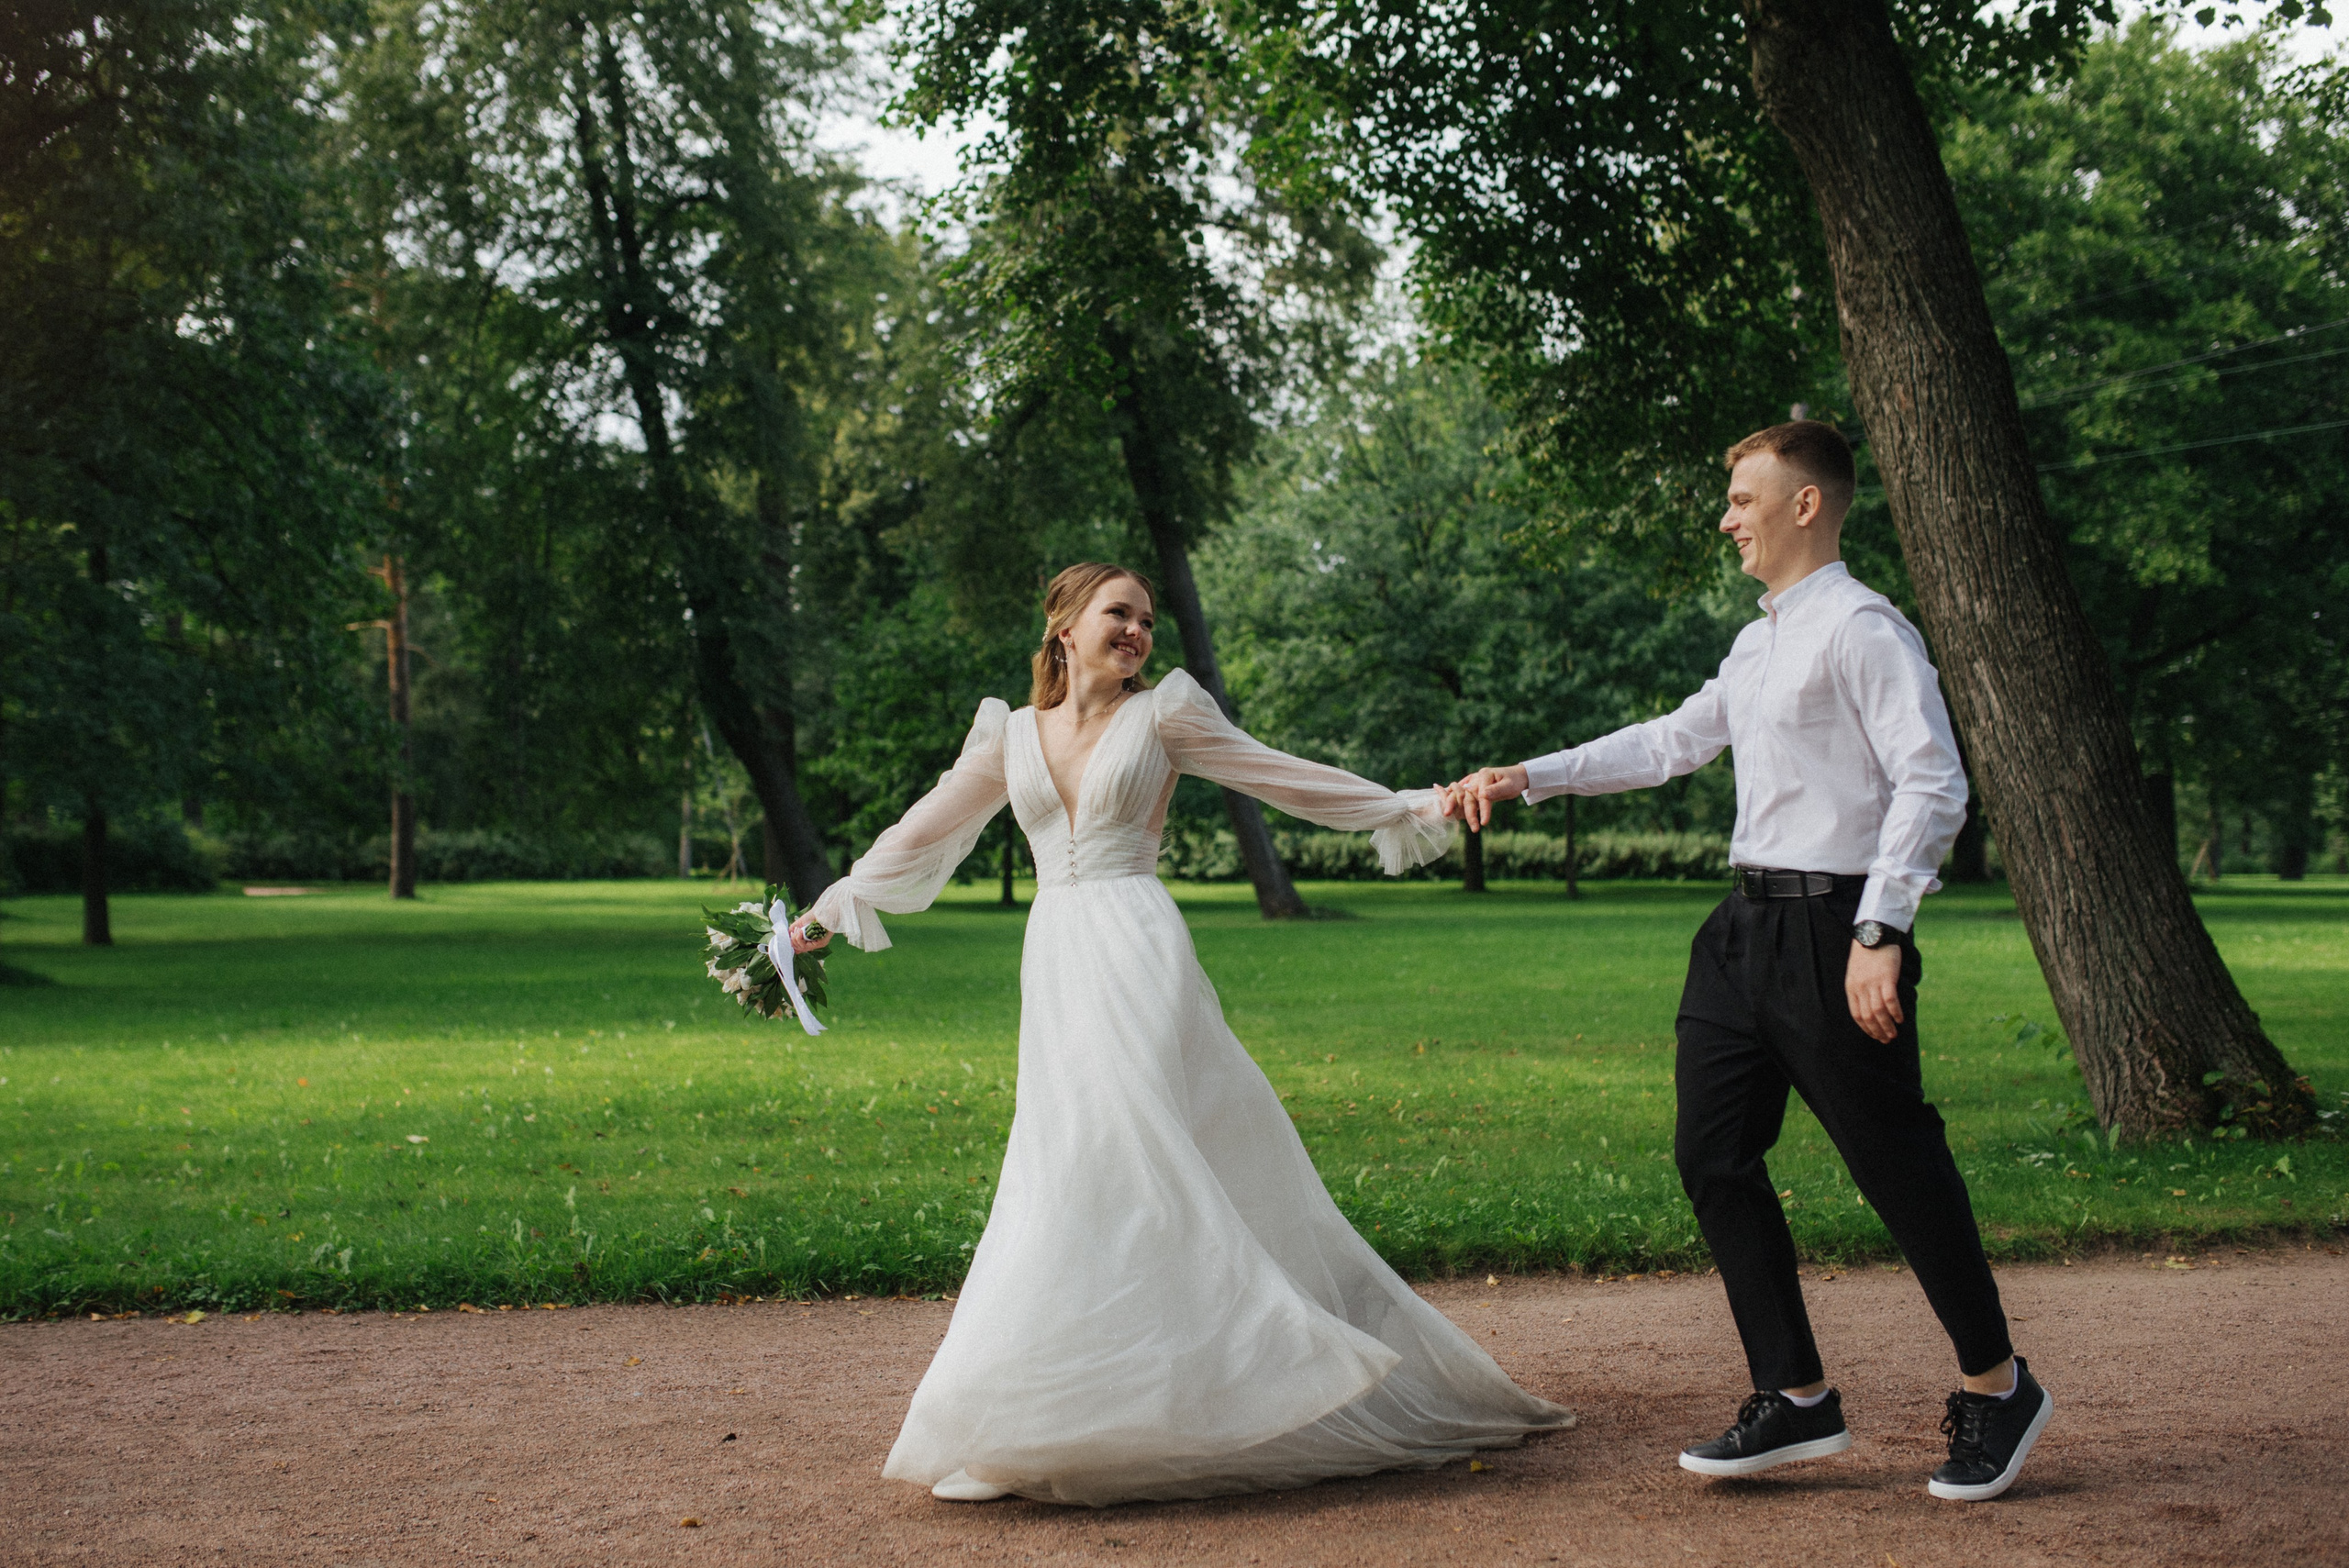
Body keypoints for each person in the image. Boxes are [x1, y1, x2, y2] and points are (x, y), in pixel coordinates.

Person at [791, 562, 1571, 1507]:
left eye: (1148, 621)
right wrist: (831, 908)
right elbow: (925, 827)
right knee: (1062, 1163)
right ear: (1064, 626)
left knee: (1125, 1154)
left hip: (1138, 944)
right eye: (1119, 614)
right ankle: (1046, 1414)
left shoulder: (1166, 714)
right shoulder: (1010, 735)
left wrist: (1408, 806)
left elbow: (1282, 776)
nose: (1137, 632)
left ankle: (1224, 1382)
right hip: (1058, 957)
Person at [1445, 421, 2051, 1503]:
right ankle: (1797, 1395)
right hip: (1738, 935)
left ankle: (1999, 1385)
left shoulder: (1865, 630)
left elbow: (1933, 781)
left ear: (1803, 504)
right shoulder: (1757, 641)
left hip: (1833, 931)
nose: (1727, 516)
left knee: (1894, 1166)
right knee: (1711, 1153)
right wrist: (1527, 775)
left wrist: (1881, 929)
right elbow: (1670, 739)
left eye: (1741, 497)